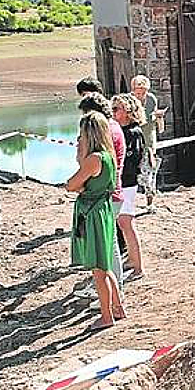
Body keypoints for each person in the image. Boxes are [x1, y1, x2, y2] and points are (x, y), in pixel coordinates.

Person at [65, 111, 125, 330]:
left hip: (93, 215)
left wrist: (80, 159)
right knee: (106, 265)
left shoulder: (93, 159)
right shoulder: (108, 155)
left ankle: (106, 316)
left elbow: (72, 185)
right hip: (103, 209)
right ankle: (118, 308)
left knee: (99, 270)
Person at [77, 84, 125, 282]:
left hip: (105, 196)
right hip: (110, 193)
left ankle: (114, 294)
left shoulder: (106, 133)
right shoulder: (112, 128)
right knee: (108, 245)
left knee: (107, 248)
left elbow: (87, 164)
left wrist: (82, 147)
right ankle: (111, 292)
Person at [111, 93, 146, 280]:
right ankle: (132, 260)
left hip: (127, 182)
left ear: (128, 111)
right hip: (122, 182)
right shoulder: (122, 131)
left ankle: (138, 267)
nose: (113, 112)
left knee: (126, 223)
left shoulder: (133, 132)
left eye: (117, 109)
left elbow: (134, 159)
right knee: (123, 223)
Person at [131, 75, 165, 208]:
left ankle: (150, 198)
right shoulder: (129, 100)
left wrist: (158, 117)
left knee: (150, 169)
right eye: (137, 92)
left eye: (143, 92)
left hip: (148, 140)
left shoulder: (151, 99)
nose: (140, 95)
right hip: (133, 139)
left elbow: (156, 120)